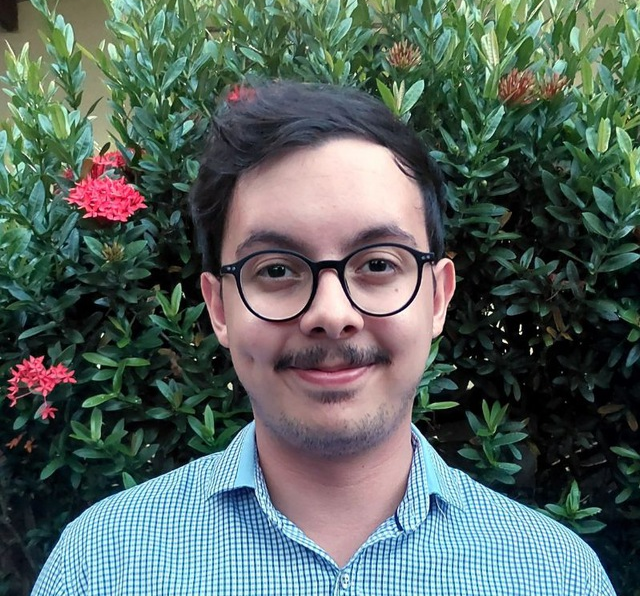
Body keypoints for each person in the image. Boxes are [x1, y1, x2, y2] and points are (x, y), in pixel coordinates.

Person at [32, 81, 615, 595]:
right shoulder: (101, 567)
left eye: (379, 264)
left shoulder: (555, 577)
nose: (332, 314)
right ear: (219, 308)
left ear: (438, 297)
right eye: (276, 270)